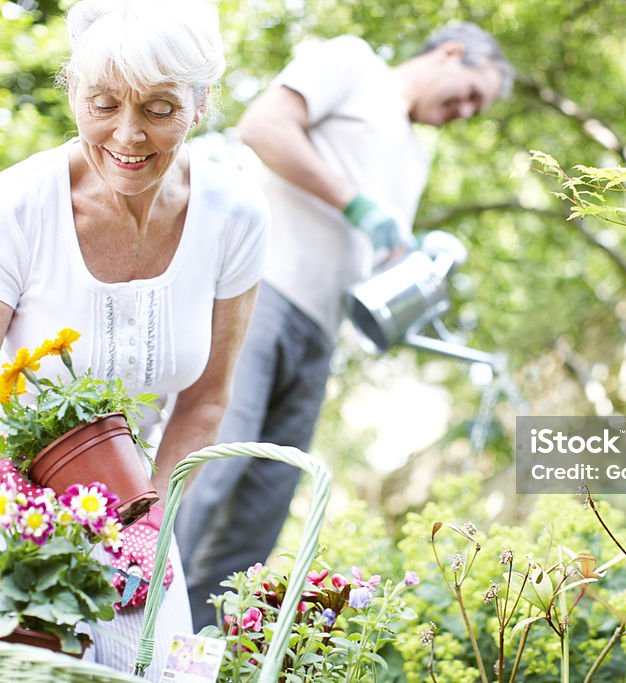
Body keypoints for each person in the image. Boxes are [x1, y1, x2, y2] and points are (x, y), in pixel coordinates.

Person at [0, 0, 267, 677]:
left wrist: (148, 522)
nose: (128, 137)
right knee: (21, 656)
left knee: (161, 671)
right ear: (73, 91)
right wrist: (4, 483)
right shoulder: (19, 205)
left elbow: (205, 402)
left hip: (118, 492)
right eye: (103, 104)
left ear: (202, 101)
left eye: (159, 109)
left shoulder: (235, 215)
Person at [175, 22, 513, 628]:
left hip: (320, 333)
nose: (464, 112)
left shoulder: (418, 151)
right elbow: (263, 127)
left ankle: (191, 648)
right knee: (213, 465)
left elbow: (374, 250)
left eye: (476, 110)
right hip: (258, 291)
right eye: (468, 94)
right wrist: (357, 203)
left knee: (264, 502)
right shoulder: (354, 64)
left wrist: (414, 261)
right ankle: (127, 617)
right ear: (450, 52)